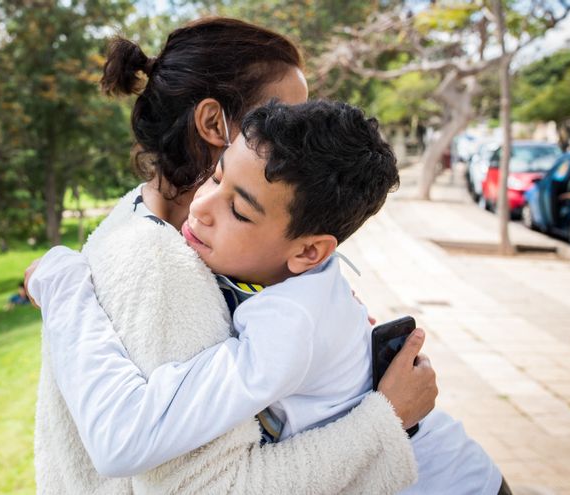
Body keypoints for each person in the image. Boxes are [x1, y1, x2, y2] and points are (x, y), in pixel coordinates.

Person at [28, 18, 435, 494]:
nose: (302, 129)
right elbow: (181, 474)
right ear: (212, 124)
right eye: (285, 110)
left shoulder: (194, 244)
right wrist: (387, 418)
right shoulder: (161, 263)